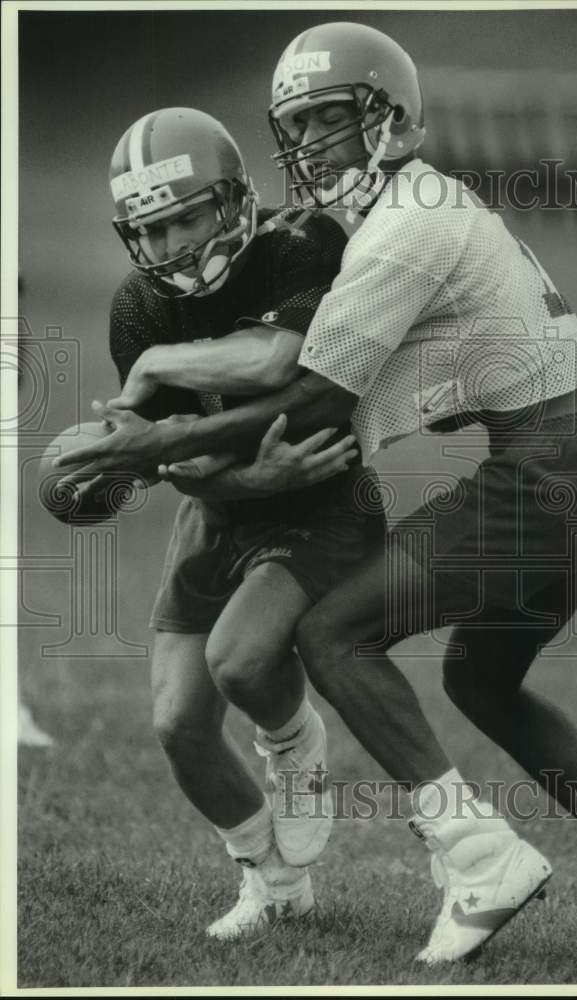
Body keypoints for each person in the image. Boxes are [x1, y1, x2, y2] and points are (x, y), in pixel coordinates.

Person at [56, 29, 577, 965]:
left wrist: (152, 439)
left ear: (391, 113)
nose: (313, 149)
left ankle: (477, 855)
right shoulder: (406, 212)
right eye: (296, 127)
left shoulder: (400, 225)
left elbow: (312, 395)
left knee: (333, 631)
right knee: (480, 680)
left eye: (332, 122)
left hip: (554, 470)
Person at [63, 106, 385, 941]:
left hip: (320, 497)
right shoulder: (138, 304)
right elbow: (173, 459)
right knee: (176, 723)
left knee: (241, 663)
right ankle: (272, 882)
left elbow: (276, 360)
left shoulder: (304, 240)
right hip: (224, 507)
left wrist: (160, 365)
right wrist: (243, 476)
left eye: (185, 218)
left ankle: (291, 737)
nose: (168, 245)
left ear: (236, 198)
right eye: (150, 228)